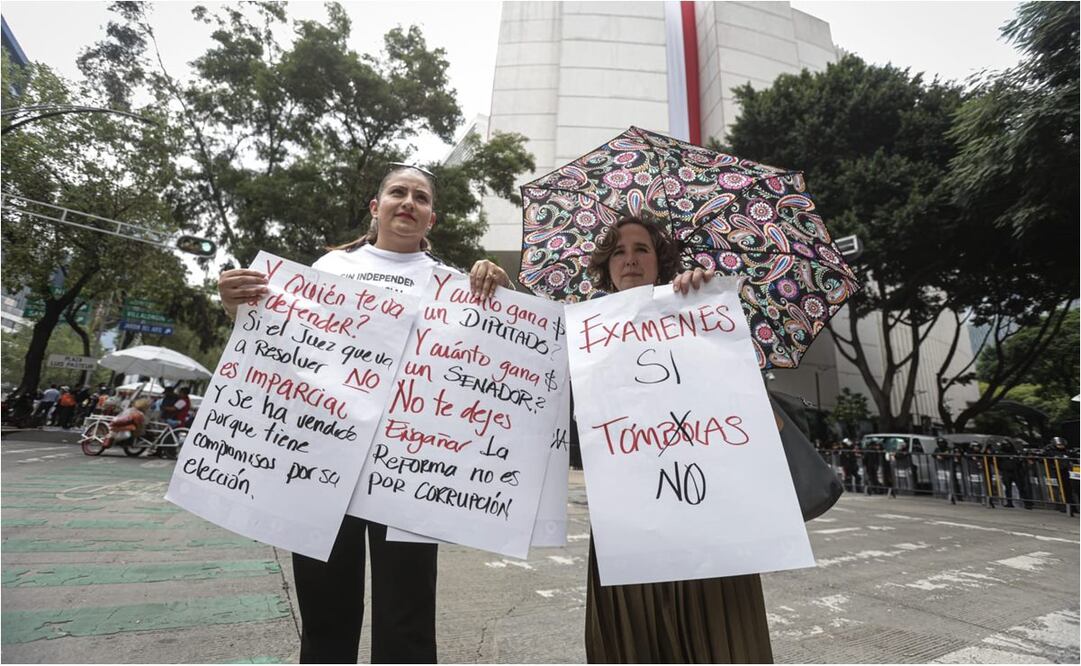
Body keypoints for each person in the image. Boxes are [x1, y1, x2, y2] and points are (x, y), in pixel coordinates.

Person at [218, 163, 510, 664]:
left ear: (431, 219)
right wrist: (234, 306)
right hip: (319, 461)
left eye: (420, 197)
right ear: (376, 208)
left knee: (408, 618)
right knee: (325, 611)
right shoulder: (328, 270)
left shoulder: (454, 286)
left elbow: (489, 364)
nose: (408, 202)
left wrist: (497, 294)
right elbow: (279, 345)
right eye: (398, 192)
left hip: (410, 468)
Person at [581, 215, 773, 663]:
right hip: (628, 521)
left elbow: (738, 400)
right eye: (618, 251)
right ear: (605, 267)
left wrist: (709, 299)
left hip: (707, 516)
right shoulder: (584, 333)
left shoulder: (699, 308)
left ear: (661, 261)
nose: (629, 259)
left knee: (716, 641)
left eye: (641, 249)